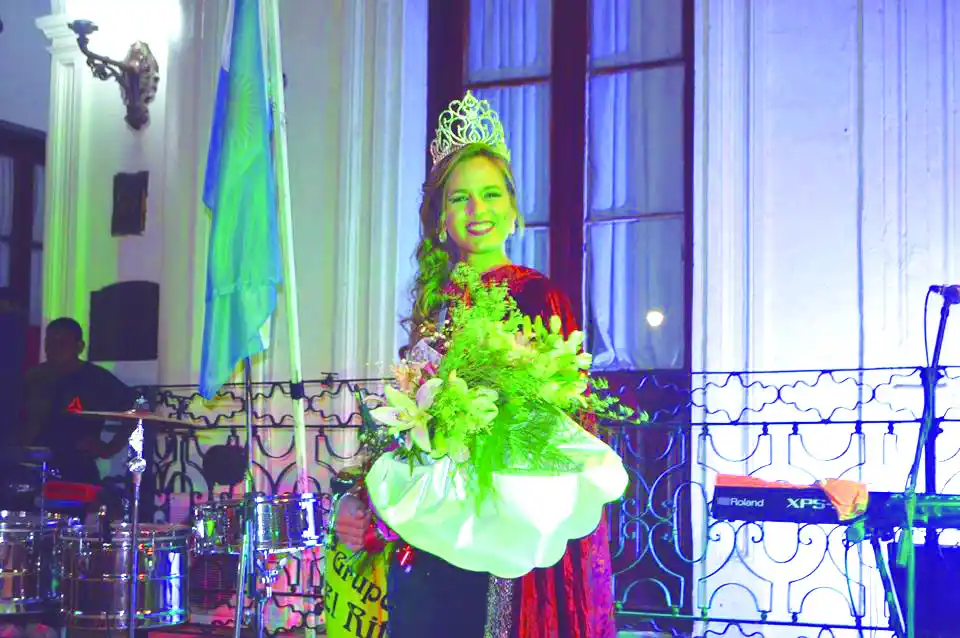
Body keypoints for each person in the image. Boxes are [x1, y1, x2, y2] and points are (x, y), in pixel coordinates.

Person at [334, 92, 617, 637]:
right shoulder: (432, 308)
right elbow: (403, 425)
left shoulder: (537, 296)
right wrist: (363, 495)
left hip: (496, 522)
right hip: (429, 529)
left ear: (513, 211)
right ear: (440, 218)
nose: (477, 210)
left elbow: (561, 414)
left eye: (490, 195)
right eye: (460, 199)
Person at [21, 317, 139, 486]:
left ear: (79, 347)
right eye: (49, 343)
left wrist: (109, 448)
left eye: (62, 343)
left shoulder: (95, 378)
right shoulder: (34, 377)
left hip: (77, 467)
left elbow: (137, 406)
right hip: (34, 465)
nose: (54, 349)